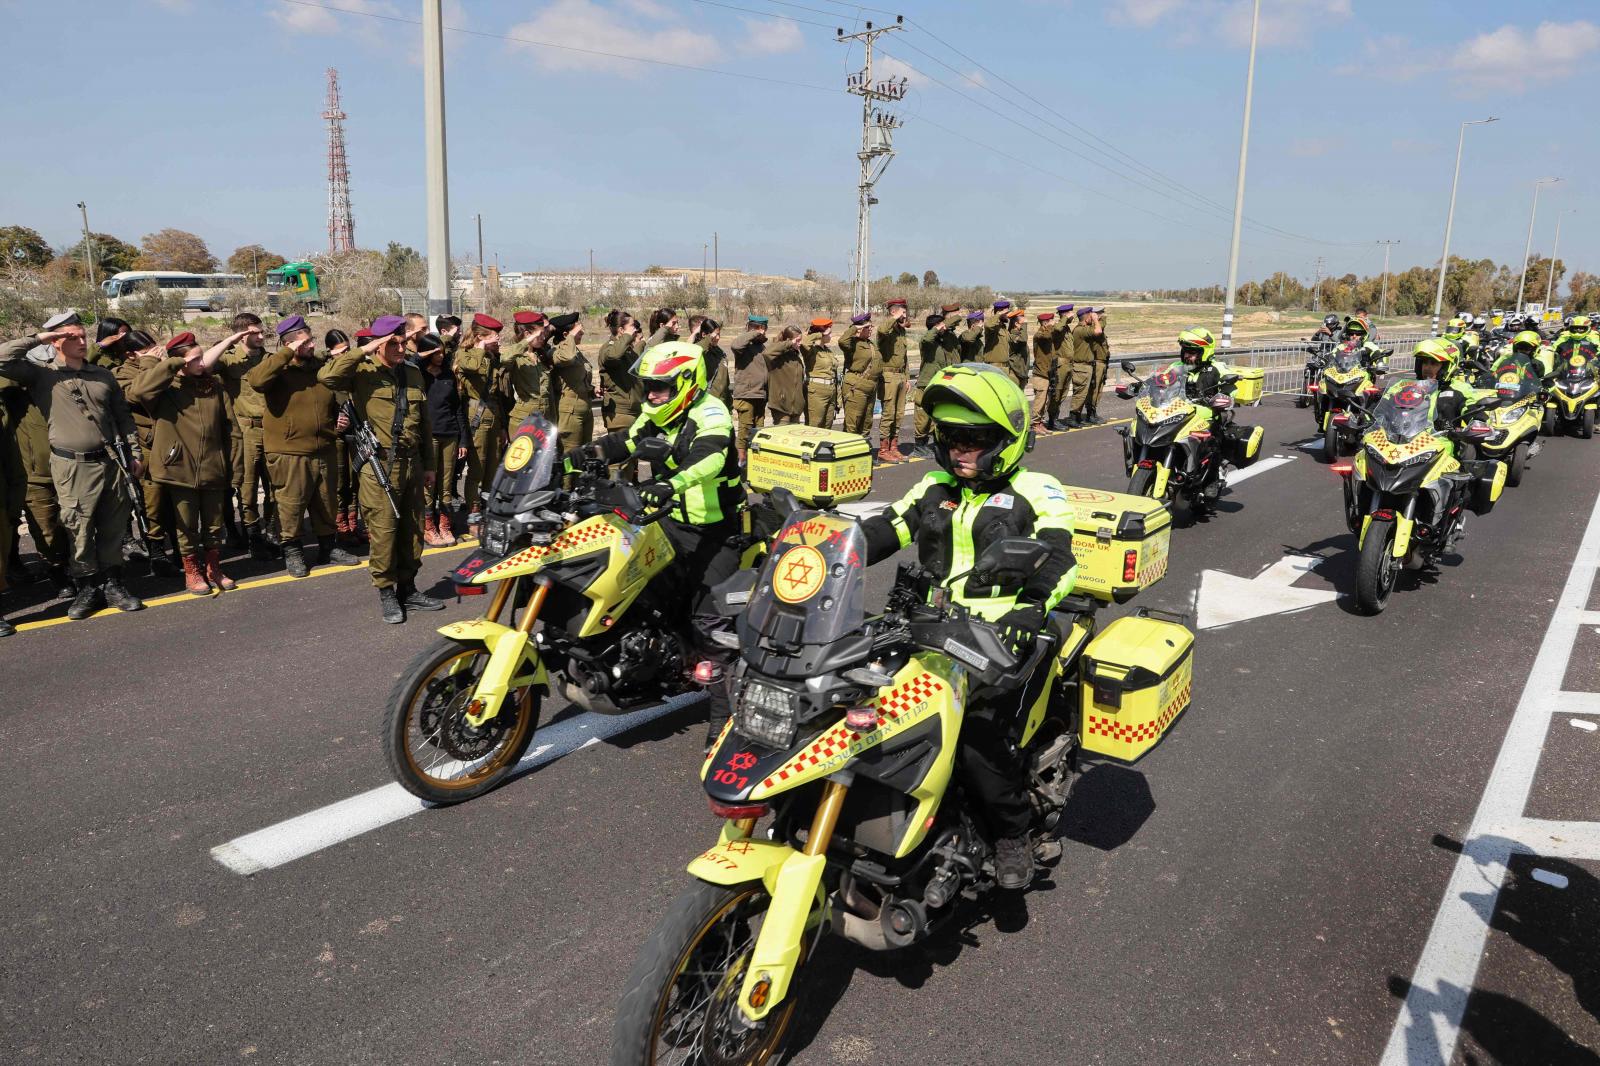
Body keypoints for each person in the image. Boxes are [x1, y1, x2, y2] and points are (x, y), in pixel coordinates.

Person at [858, 363, 1078, 889]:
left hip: (1006, 638)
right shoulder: (934, 487)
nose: (960, 450)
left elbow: (1059, 556)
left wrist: (1032, 607)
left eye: (975, 440)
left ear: (1006, 439)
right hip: (930, 629)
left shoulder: (1037, 490)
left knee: (979, 741)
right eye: (953, 437)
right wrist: (820, 549)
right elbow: (886, 527)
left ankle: (1013, 836)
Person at [579, 341, 745, 746]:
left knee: (711, 628)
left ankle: (723, 721)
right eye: (649, 386)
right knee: (631, 588)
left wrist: (671, 484)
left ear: (687, 383)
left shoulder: (711, 413)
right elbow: (625, 441)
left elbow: (708, 457)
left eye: (661, 387)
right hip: (667, 523)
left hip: (714, 532)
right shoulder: (659, 415)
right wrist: (568, 459)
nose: (652, 395)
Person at [0, 312, 145, 619]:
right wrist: (40, 338)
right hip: (71, 466)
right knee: (78, 528)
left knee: (113, 527)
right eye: (72, 337)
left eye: (82, 336)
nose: (81, 341)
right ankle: (88, 588)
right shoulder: (41, 375)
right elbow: (2, 358)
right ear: (56, 341)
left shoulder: (102, 375)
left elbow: (123, 416)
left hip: (110, 462)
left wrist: (134, 453)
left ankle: (114, 586)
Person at [319, 315, 443, 624]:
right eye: (393, 344)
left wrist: (429, 465)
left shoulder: (412, 372)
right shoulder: (361, 372)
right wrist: (363, 350)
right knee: (384, 531)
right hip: (379, 466)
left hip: (412, 462)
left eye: (403, 342)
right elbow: (327, 377)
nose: (401, 349)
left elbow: (424, 424)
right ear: (378, 345)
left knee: (413, 530)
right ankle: (387, 591)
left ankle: (408, 589)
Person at [128, 331, 243, 595]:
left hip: (214, 466)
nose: (203, 364)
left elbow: (232, 431)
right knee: (186, 525)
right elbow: (138, 391)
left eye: (202, 357)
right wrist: (169, 363)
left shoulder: (214, 386)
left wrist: (235, 468)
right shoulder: (166, 389)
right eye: (195, 360)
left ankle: (214, 568)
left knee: (214, 524)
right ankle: (192, 571)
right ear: (179, 363)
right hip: (179, 468)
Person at [248, 315, 362, 577]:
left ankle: (328, 547)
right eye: (305, 342)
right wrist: (286, 353)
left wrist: (339, 417)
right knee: (291, 504)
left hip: (324, 447)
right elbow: (256, 381)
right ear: (289, 344)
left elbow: (335, 397)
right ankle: (293, 551)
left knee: (326, 501)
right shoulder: (276, 368)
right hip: (289, 451)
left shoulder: (319, 368)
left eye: (311, 340)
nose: (312, 345)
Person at [112, 329, 182, 575]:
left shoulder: (165, 366)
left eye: (154, 346)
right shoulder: (121, 374)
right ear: (130, 355)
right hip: (147, 444)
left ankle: (182, 550)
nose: (155, 351)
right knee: (153, 502)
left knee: (178, 500)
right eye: (146, 350)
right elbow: (138, 395)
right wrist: (151, 362)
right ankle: (157, 551)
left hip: (174, 442)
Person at [455, 312, 506, 532]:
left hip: (493, 415)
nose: (498, 339)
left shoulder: (491, 357)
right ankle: (474, 515)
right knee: (477, 469)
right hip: (476, 415)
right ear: (480, 336)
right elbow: (472, 367)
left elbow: (498, 394)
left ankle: (488, 511)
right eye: (494, 335)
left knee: (492, 469)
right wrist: (481, 347)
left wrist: (502, 426)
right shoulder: (466, 354)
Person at [598, 309, 644, 478]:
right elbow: (613, 357)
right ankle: (614, 492)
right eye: (632, 326)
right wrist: (626, 337)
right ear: (621, 330)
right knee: (619, 465)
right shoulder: (609, 348)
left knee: (631, 462)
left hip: (633, 411)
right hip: (620, 412)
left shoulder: (627, 350)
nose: (635, 329)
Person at [911, 305, 962, 447]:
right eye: (940, 325)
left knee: (936, 415)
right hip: (926, 383)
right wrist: (938, 328)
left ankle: (934, 443)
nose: (944, 327)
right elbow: (928, 338)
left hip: (939, 383)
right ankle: (919, 445)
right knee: (923, 417)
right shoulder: (927, 342)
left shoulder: (943, 341)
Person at [548, 311, 595, 460]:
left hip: (584, 408)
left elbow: (580, 377)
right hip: (569, 412)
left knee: (586, 455)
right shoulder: (556, 351)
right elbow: (567, 358)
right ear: (566, 334)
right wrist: (571, 337)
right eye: (578, 330)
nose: (582, 333)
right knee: (570, 456)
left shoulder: (575, 351)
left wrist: (592, 390)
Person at [729, 314, 770, 463]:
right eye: (757, 328)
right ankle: (740, 463)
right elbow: (735, 345)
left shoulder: (762, 347)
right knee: (744, 432)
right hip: (746, 395)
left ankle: (754, 463)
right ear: (750, 328)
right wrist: (754, 333)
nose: (762, 331)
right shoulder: (744, 345)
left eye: (763, 328)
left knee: (758, 432)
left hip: (760, 394)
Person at [505, 311, 554, 429]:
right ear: (527, 334)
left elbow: (548, 394)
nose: (543, 337)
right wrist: (528, 340)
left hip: (544, 418)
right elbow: (505, 358)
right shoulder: (517, 356)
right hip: (524, 419)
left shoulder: (539, 355)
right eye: (540, 334)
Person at [839, 312, 883, 444]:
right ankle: (849, 449)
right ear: (859, 329)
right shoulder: (852, 344)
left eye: (871, 326)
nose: (870, 329)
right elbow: (842, 341)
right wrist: (855, 328)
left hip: (871, 387)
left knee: (867, 421)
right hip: (856, 386)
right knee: (853, 421)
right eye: (867, 327)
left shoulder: (871, 344)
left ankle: (863, 448)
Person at [876, 298, 911, 461]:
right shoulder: (887, 329)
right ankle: (883, 450)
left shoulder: (901, 331)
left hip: (901, 376)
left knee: (899, 414)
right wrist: (895, 317)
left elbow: (904, 357)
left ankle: (893, 447)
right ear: (893, 312)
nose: (905, 315)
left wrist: (907, 378)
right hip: (888, 376)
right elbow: (882, 330)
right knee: (888, 414)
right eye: (903, 312)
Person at [764, 324, 806, 428]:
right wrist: (789, 343)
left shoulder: (796, 358)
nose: (800, 343)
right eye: (797, 340)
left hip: (796, 409)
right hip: (781, 406)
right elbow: (766, 353)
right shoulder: (777, 357)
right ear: (788, 340)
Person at [802, 318, 840, 428]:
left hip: (831, 390)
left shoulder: (828, 351)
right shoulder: (811, 350)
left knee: (828, 425)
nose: (831, 336)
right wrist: (820, 334)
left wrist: (838, 397)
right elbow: (804, 342)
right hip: (816, 391)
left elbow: (834, 373)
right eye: (829, 333)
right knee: (814, 425)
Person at [1028, 311, 1058, 430]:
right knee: (1040, 400)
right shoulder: (1039, 335)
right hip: (1040, 373)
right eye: (1051, 321)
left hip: (1048, 372)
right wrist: (1050, 327)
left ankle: (1040, 422)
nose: (1053, 324)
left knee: (1046, 401)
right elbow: (1046, 337)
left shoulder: (1048, 334)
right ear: (1045, 323)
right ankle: (1035, 423)